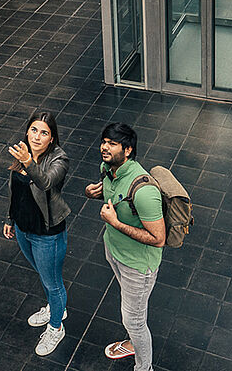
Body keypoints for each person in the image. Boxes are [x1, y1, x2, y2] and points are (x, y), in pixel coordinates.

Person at [85, 122, 165, 371]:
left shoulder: (144, 191)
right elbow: (113, 196)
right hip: (115, 252)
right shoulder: (108, 168)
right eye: (104, 141)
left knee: (134, 320)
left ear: (128, 150)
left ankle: (144, 367)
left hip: (138, 266)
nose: (104, 148)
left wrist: (115, 224)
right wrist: (94, 193)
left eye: (112, 144)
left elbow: (158, 238)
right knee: (134, 311)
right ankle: (132, 342)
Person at [3, 111, 70, 357]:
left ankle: (56, 325)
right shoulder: (23, 153)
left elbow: (46, 183)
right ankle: (56, 308)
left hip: (46, 233)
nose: (37, 137)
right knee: (44, 275)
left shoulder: (59, 159)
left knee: (53, 283)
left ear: (52, 138)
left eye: (44, 133)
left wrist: (29, 162)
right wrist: (10, 219)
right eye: (34, 130)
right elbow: (15, 189)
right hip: (23, 228)